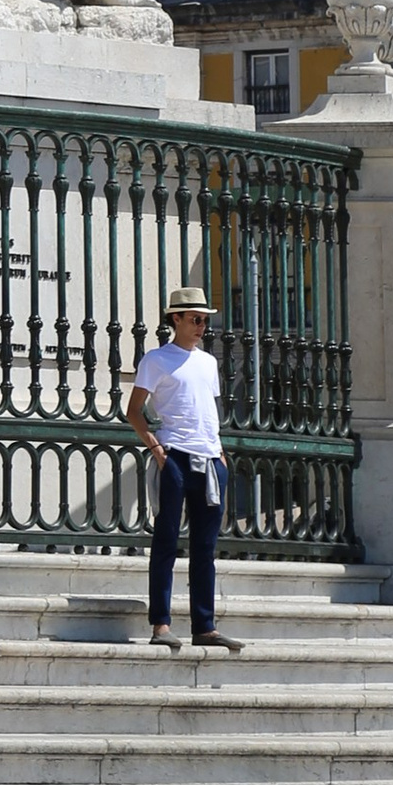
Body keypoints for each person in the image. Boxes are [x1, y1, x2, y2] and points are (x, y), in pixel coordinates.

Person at [129, 280, 239, 653]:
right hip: (174, 456)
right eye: (194, 319)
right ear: (175, 319)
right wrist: (158, 449)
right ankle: (160, 623)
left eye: (204, 320)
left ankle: (204, 625)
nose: (201, 326)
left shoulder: (208, 362)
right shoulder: (156, 360)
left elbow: (208, 410)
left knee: (205, 547)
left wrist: (220, 452)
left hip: (210, 460)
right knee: (165, 542)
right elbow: (133, 411)